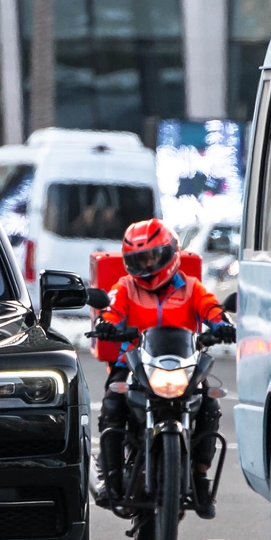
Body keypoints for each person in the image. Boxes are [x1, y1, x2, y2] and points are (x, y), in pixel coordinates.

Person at [93, 218, 234, 518]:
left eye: (151, 257)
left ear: (170, 254)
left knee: (209, 402)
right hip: (135, 365)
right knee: (112, 403)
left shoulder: (192, 288)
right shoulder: (126, 287)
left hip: (183, 366)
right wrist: (106, 325)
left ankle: (200, 476)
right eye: (137, 260)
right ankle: (112, 479)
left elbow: (211, 308)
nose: (145, 266)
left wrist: (223, 325)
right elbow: (113, 309)